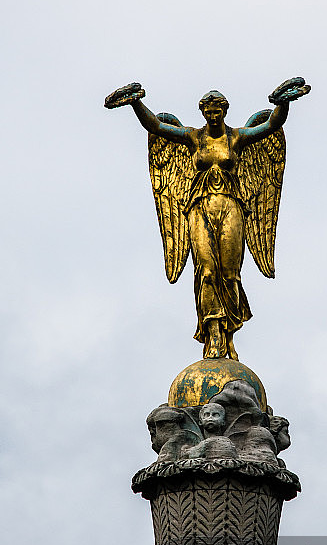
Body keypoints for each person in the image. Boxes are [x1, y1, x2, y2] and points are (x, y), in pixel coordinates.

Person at [106, 79, 309, 359]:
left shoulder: (237, 137)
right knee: (207, 271)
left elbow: (271, 125)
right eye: (208, 112)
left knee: (230, 273)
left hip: (231, 206)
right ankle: (213, 332)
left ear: (224, 111)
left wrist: (282, 102)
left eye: (217, 111)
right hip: (199, 208)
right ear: (203, 113)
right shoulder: (193, 137)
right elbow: (156, 126)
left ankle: (230, 337)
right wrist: (135, 103)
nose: (213, 116)